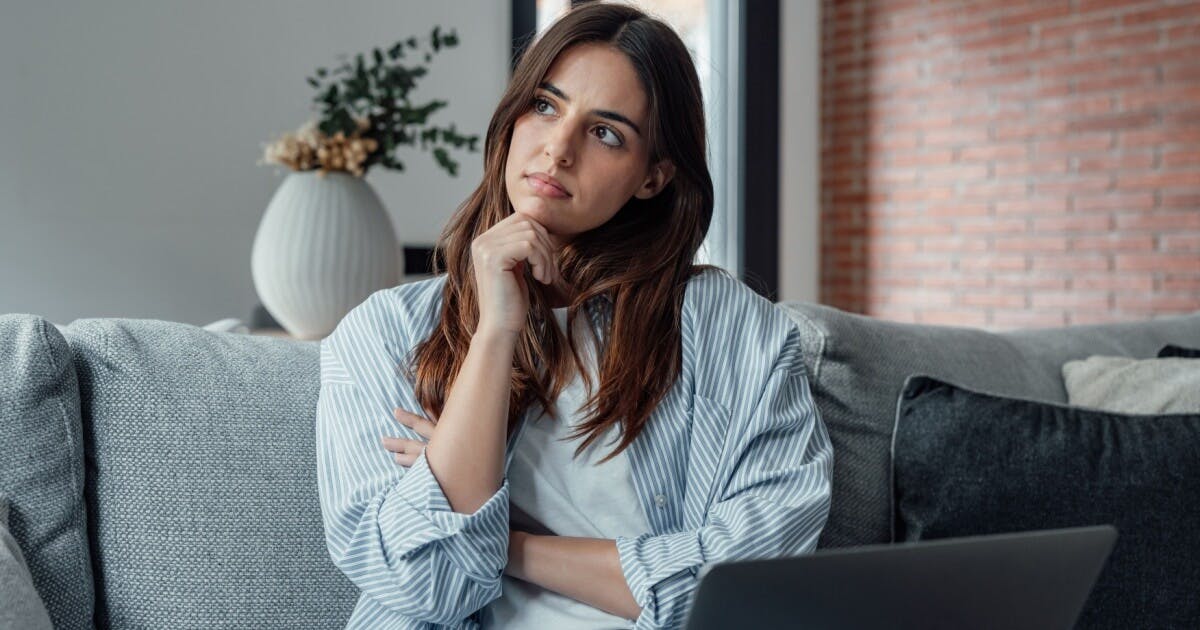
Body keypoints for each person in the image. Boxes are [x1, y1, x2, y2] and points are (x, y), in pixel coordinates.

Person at [315, 3, 833, 629]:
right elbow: (426, 583)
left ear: (653, 177)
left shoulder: (736, 333)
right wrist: (495, 333)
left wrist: (506, 541)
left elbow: (747, 587)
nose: (558, 149)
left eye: (606, 132)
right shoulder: (385, 335)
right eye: (544, 105)